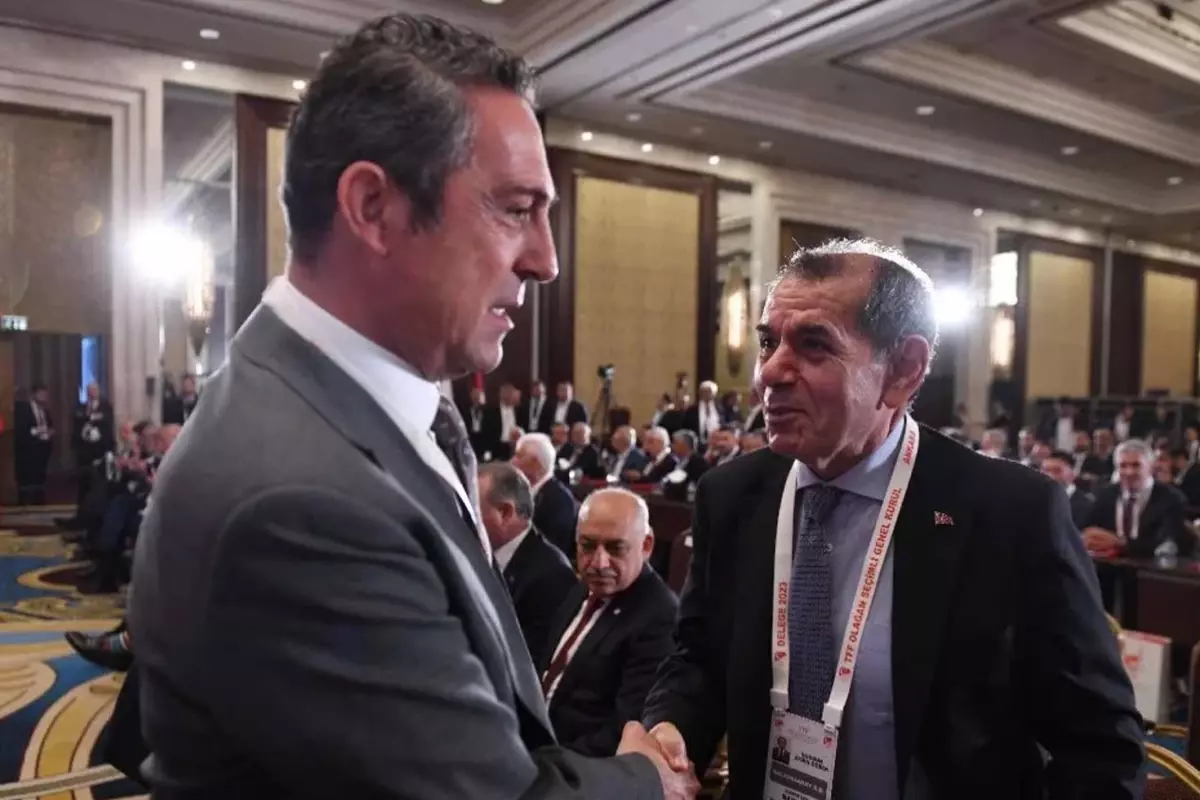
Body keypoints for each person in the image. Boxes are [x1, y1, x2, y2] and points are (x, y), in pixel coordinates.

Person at [129, 14, 696, 800]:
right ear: (373, 207)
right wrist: (646, 780)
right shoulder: (303, 502)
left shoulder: (340, 402)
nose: (546, 259)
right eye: (516, 209)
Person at [642, 239, 1144, 799]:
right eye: (767, 342)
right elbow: (699, 659)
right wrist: (671, 728)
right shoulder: (732, 496)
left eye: (813, 345)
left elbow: (1101, 745)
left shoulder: (1008, 513)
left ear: (903, 370)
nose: (770, 373)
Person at [540, 489, 677, 757]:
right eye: (588, 546)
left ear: (646, 546)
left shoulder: (660, 618)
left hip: (576, 765)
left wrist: (547, 763)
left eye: (616, 548)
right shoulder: (583, 588)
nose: (599, 563)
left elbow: (624, 732)